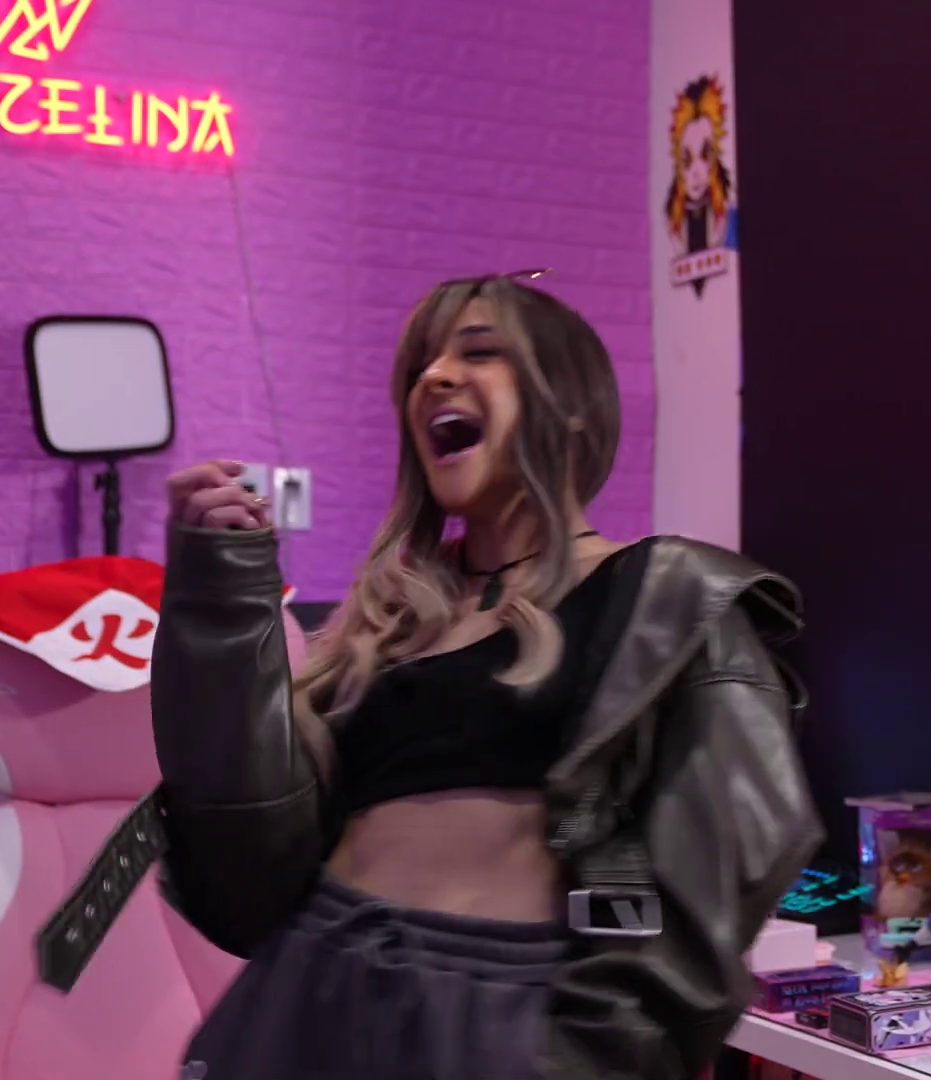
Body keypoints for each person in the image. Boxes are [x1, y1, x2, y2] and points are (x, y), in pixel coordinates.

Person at [52, 273, 823, 1080]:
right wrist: (220, 592)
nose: (434, 377)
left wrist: (589, 1055)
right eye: (422, 364)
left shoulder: (672, 599)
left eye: (479, 352)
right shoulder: (385, 623)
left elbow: (727, 878)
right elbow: (244, 874)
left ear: (571, 404)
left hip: (501, 1024)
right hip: (309, 991)